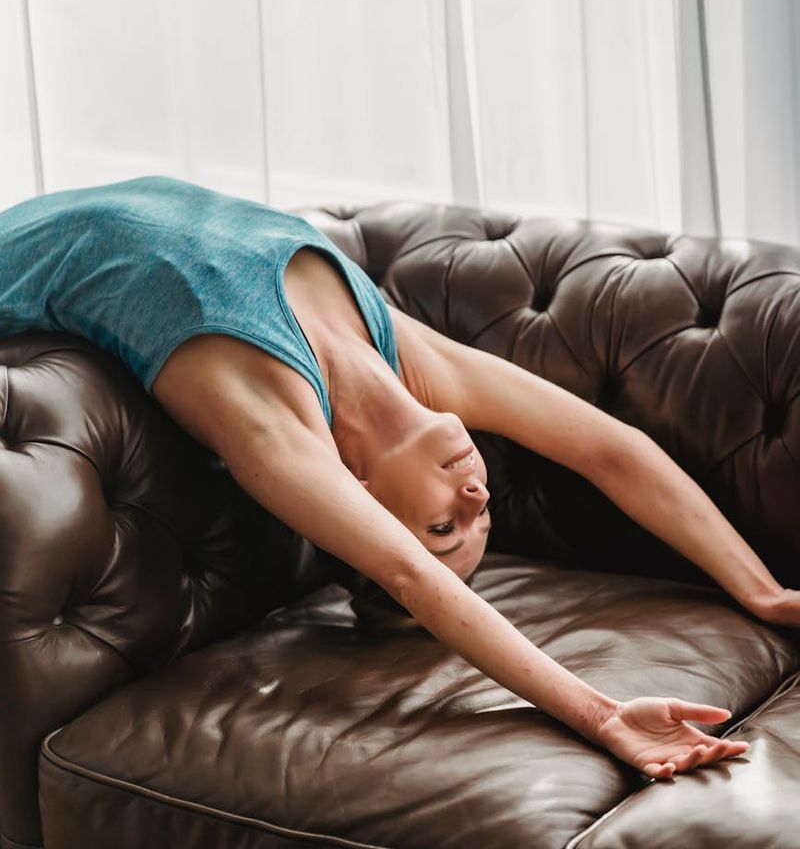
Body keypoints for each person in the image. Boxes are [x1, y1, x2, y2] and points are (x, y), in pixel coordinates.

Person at [1, 176, 797, 781]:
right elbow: (611, 448)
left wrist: (606, 712)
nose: (476, 497)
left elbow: (412, 576)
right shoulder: (407, 360)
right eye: (476, 520)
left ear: (360, 498)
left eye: (443, 525)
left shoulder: (273, 427)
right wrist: (761, 592)